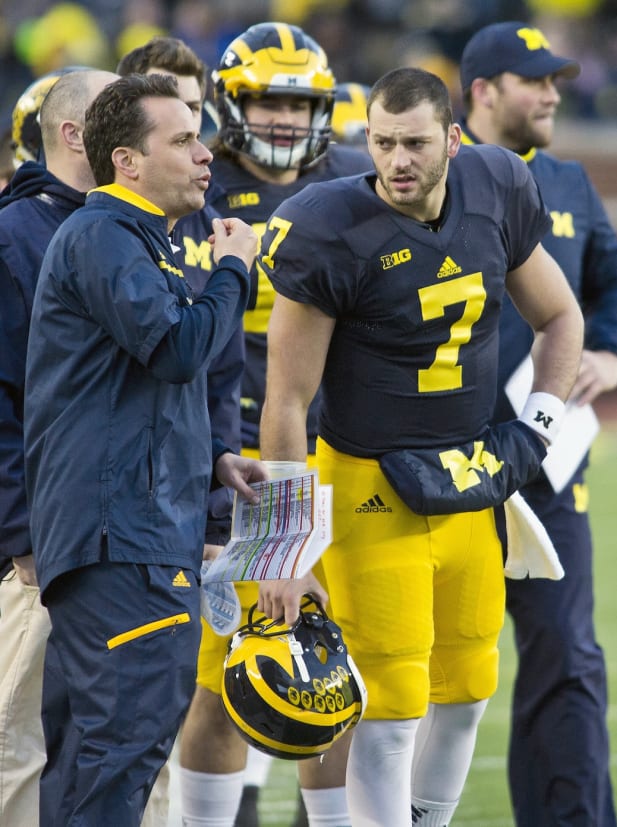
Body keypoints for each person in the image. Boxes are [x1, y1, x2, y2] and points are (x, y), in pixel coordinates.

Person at [257, 66, 584, 827]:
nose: (397, 160)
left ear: (455, 140)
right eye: (382, 142)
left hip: (470, 477)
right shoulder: (330, 225)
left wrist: (540, 421)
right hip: (370, 483)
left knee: (469, 686)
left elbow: (561, 316)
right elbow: (286, 401)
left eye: (414, 143)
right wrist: (283, 546)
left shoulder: (497, 184)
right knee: (392, 700)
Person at [23, 72, 266, 827]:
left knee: (126, 742)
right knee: (123, 742)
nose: (205, 155)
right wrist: (234, 268)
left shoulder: (137, 239)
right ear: (126, 160)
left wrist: (215, 453)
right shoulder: (102, 233)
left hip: (135, 528)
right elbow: (178, 347)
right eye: (183, 139)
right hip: (118, 536)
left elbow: (138, 389)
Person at [172, 22, 372, 827]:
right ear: (231, 102)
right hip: (240, 462)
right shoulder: (195, 187)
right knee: (225, 673)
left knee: (332, 661)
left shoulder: (361, 181)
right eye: (268, 99)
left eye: (301, 101)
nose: (287, 118)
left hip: (346, 456)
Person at [459, 21, 617, 827]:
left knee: (567, 653)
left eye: (556, 78)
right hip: (441, 463)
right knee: (411, 658)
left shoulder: (569, 184)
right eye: (535, 80)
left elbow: (611, 286)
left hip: (551, 463)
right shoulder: (428, 171)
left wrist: (616, 354)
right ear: (483, 90)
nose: (554, 92)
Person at [0, 67, 120, 827]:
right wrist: (20, 530)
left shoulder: (145, 224)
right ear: (74, 133)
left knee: (133, 735)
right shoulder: (16, 235)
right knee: (17, 731)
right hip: (40, 542)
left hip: (131, 531)